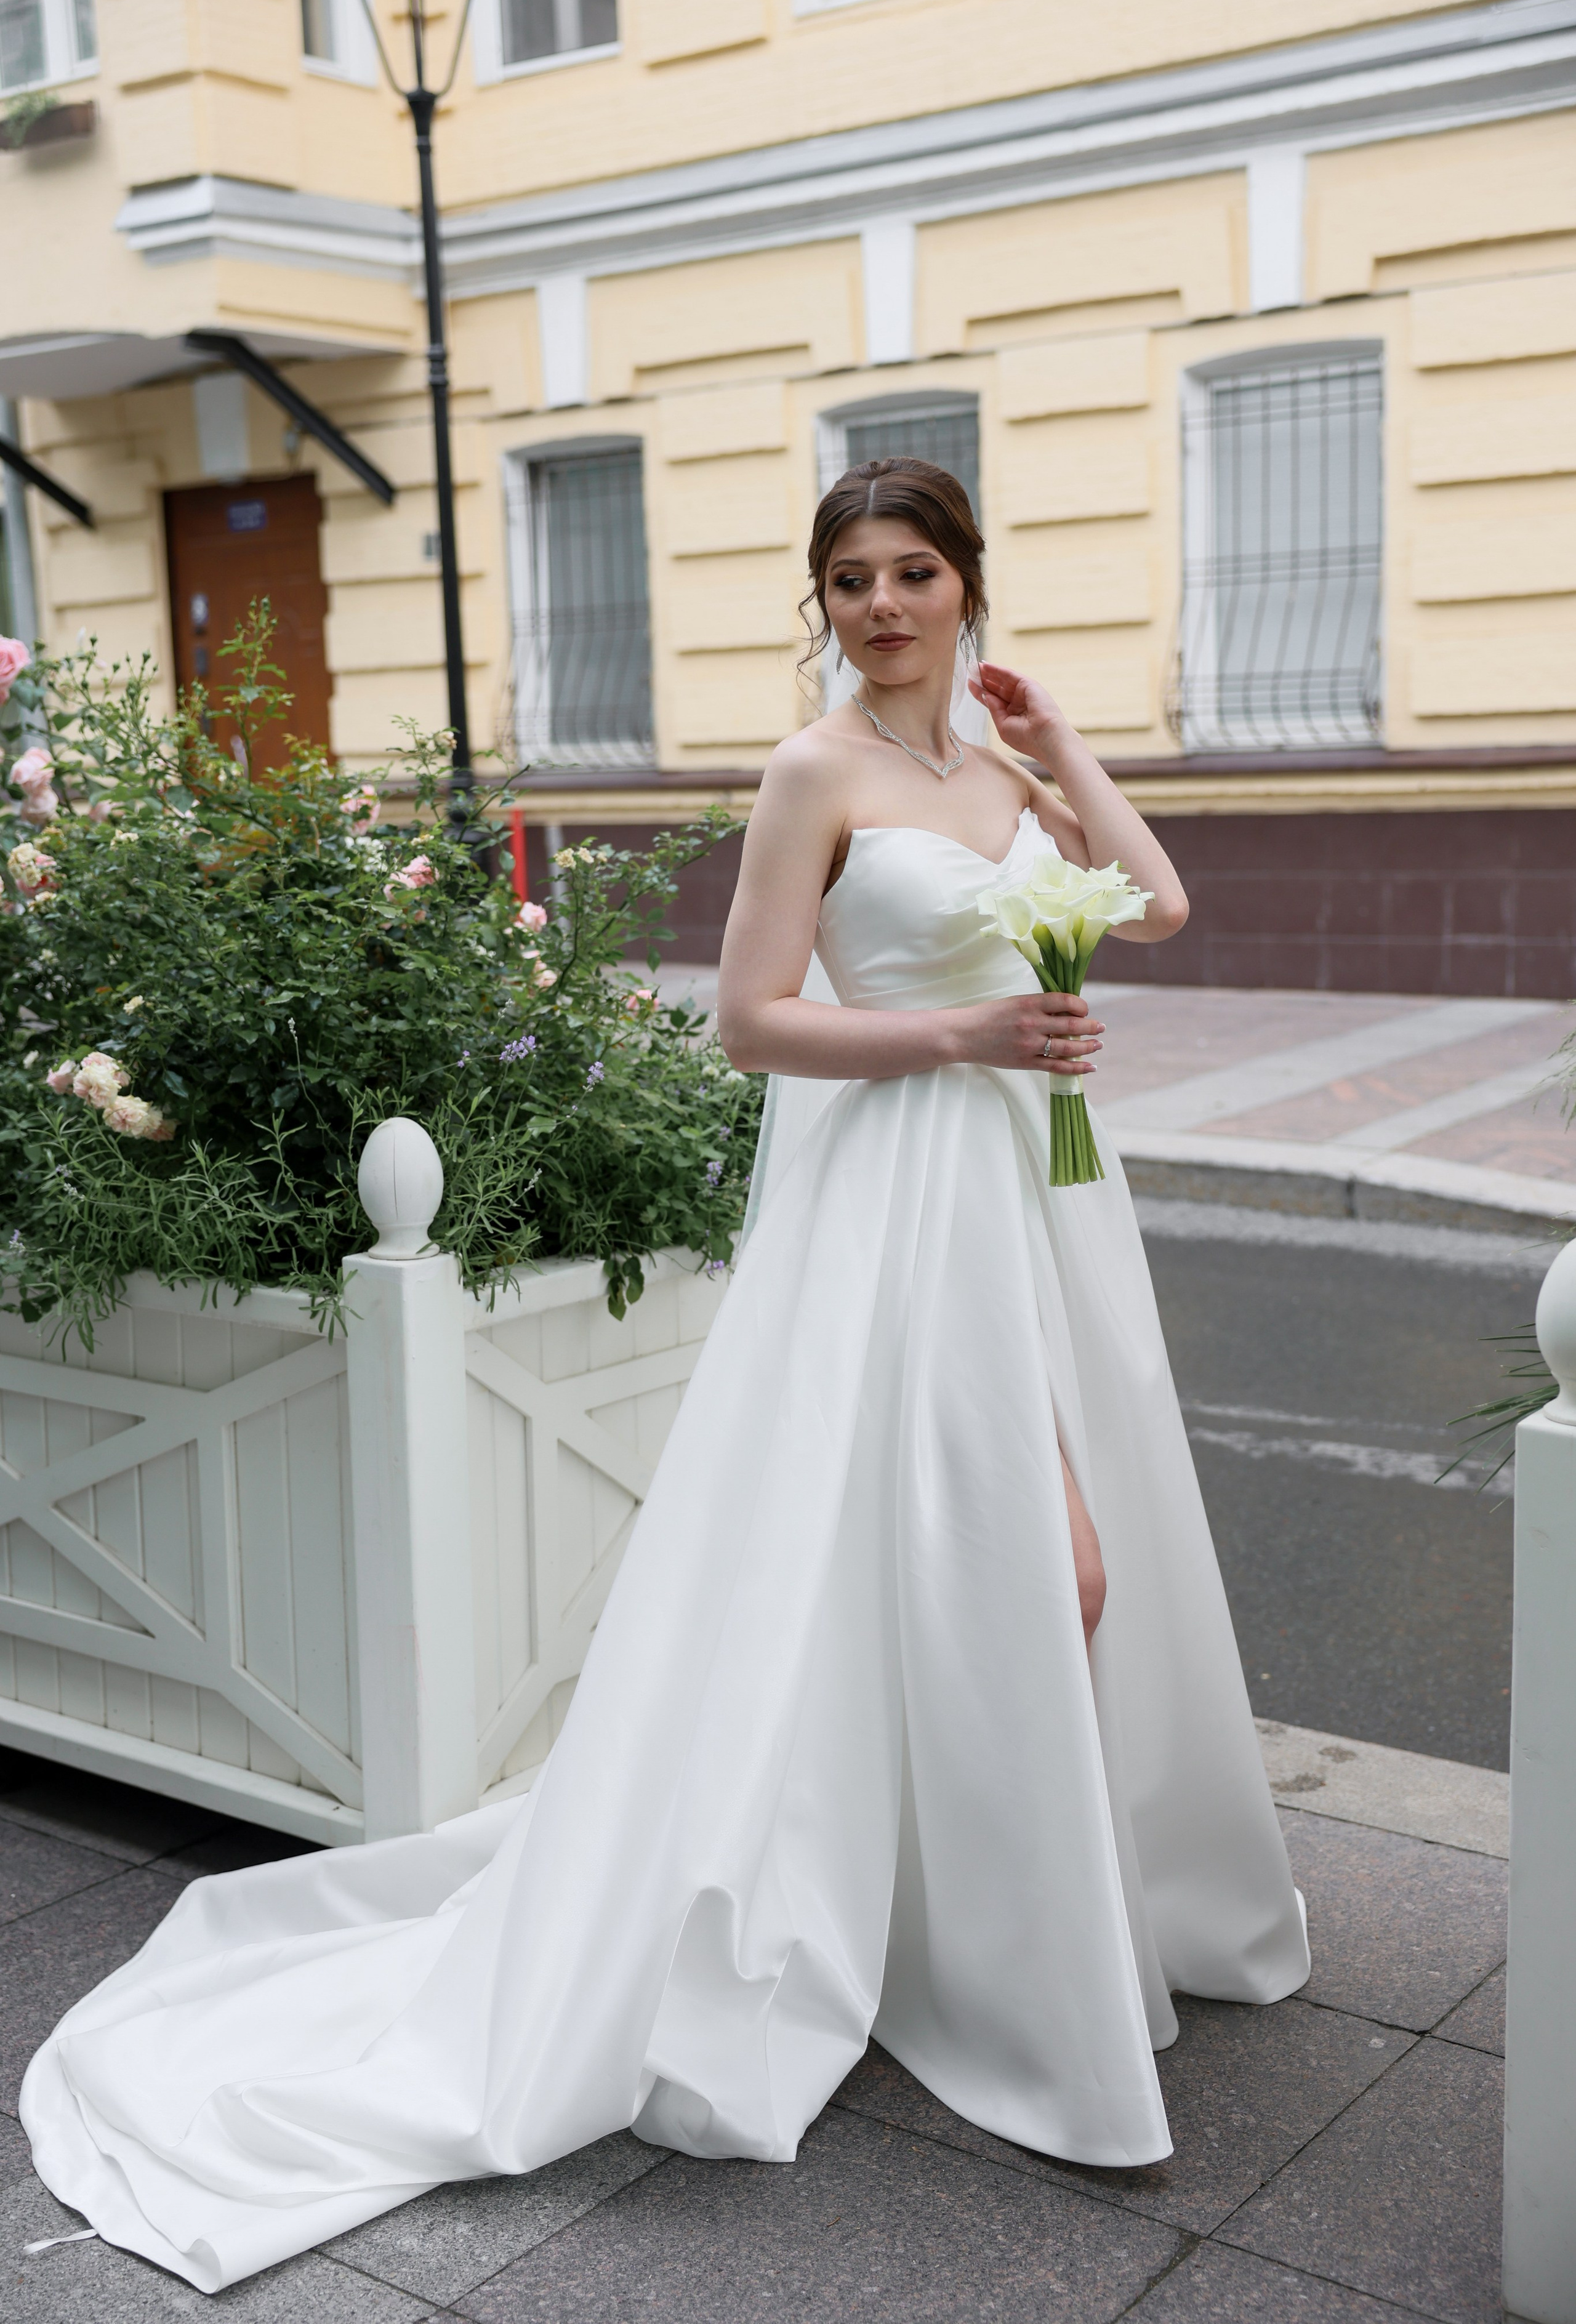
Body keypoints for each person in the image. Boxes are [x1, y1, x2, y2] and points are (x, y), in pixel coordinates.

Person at [20, 458, 1308, 2295]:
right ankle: (940, 1943)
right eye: (852, 578)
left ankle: (984, 1925)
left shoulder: (997, 767)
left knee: (1030, 1564)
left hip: (1024, 1205)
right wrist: (969, 1029)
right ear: (823, 598)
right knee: (1020, 1563)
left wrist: (1065, 742)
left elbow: (1159, 907)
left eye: (915, 573)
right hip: (896, 1209)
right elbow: (749, 1017)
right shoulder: (818, 771)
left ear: (967, 587)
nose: (883, 606)